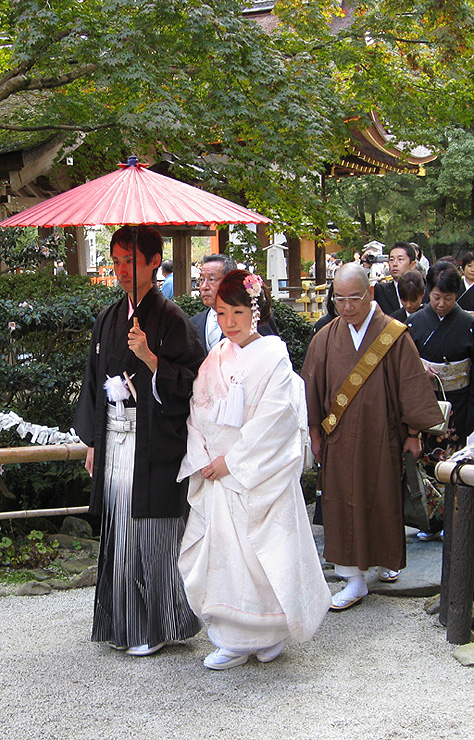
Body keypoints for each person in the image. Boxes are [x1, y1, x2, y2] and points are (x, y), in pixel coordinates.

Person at [178, 269, 331, 669]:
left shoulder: (275, 358)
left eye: (238, 313)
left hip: (253, 473)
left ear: (255, 311)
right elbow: (198, 409)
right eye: (222, 313)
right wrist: (206, 457)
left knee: (262, 556)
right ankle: (232, 638)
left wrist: (231, 461)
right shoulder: (217, 356)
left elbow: (276, 422)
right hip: (216, 471)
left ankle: (269, 635)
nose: (229, 322)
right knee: (226, 557)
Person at [73, 224, 204, 656]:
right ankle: (124, 625)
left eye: (130, 261)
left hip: (154, 445)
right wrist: (94, 441)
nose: (122, 269)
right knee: (121, 533)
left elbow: (194, 384)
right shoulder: (109, 317)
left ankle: (158, 625)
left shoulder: (172, 319)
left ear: (153, 262)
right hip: (115, 439)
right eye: (116, 260)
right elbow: (93, 383)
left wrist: (151, 359)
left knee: (154, 535)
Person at [302, 264, 442, 610]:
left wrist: (413, 433)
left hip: (382, 435)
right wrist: (315, 431)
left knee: (382, 497)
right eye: (340, 299)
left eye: (354, 298)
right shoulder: (325, 337)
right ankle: (353, 578)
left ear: (371, 295)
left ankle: (386, 558)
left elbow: (411, 384)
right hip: (338, 437)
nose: (347, 307)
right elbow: (311, 387)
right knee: (340, 504)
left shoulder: (392, 335)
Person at [407, 261, 474, 539]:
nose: (442, 304)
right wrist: (417, 367)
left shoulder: (469, 324)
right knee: (426, 463)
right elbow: (404, 365)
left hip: (458, 403)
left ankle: (455, 521)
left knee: (454, 463)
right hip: (425, 403)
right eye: (436, 297)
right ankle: (429, 522)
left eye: (448, 298)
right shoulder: (414, 323)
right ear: (427, 293)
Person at [191, 254, 278, 356]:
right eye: (201, 280)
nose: (204, 287)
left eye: (211, 279)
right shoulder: (194, 322)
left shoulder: (252, 316)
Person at [374, 241, 418, 315]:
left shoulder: (423, 289)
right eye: (391, 260)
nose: (394, 264)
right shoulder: (381, 291)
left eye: (400, 259)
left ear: (413, 264)